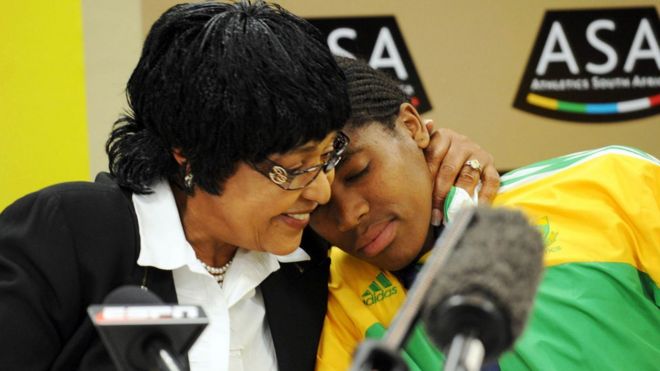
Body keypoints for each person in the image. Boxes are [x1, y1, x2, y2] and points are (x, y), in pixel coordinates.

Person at [0, 2, 500, 370]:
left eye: (328, 158)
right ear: (190, 152)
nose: (323, 194)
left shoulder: (313, 253)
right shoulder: (64, 235)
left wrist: (443, 153)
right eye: (294, 168)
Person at [311, 57, 660, 370]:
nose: (347, 215)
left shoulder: (610, 182)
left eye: (358, 172)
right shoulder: (333, 295)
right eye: (319, 201)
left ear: (412, 126)